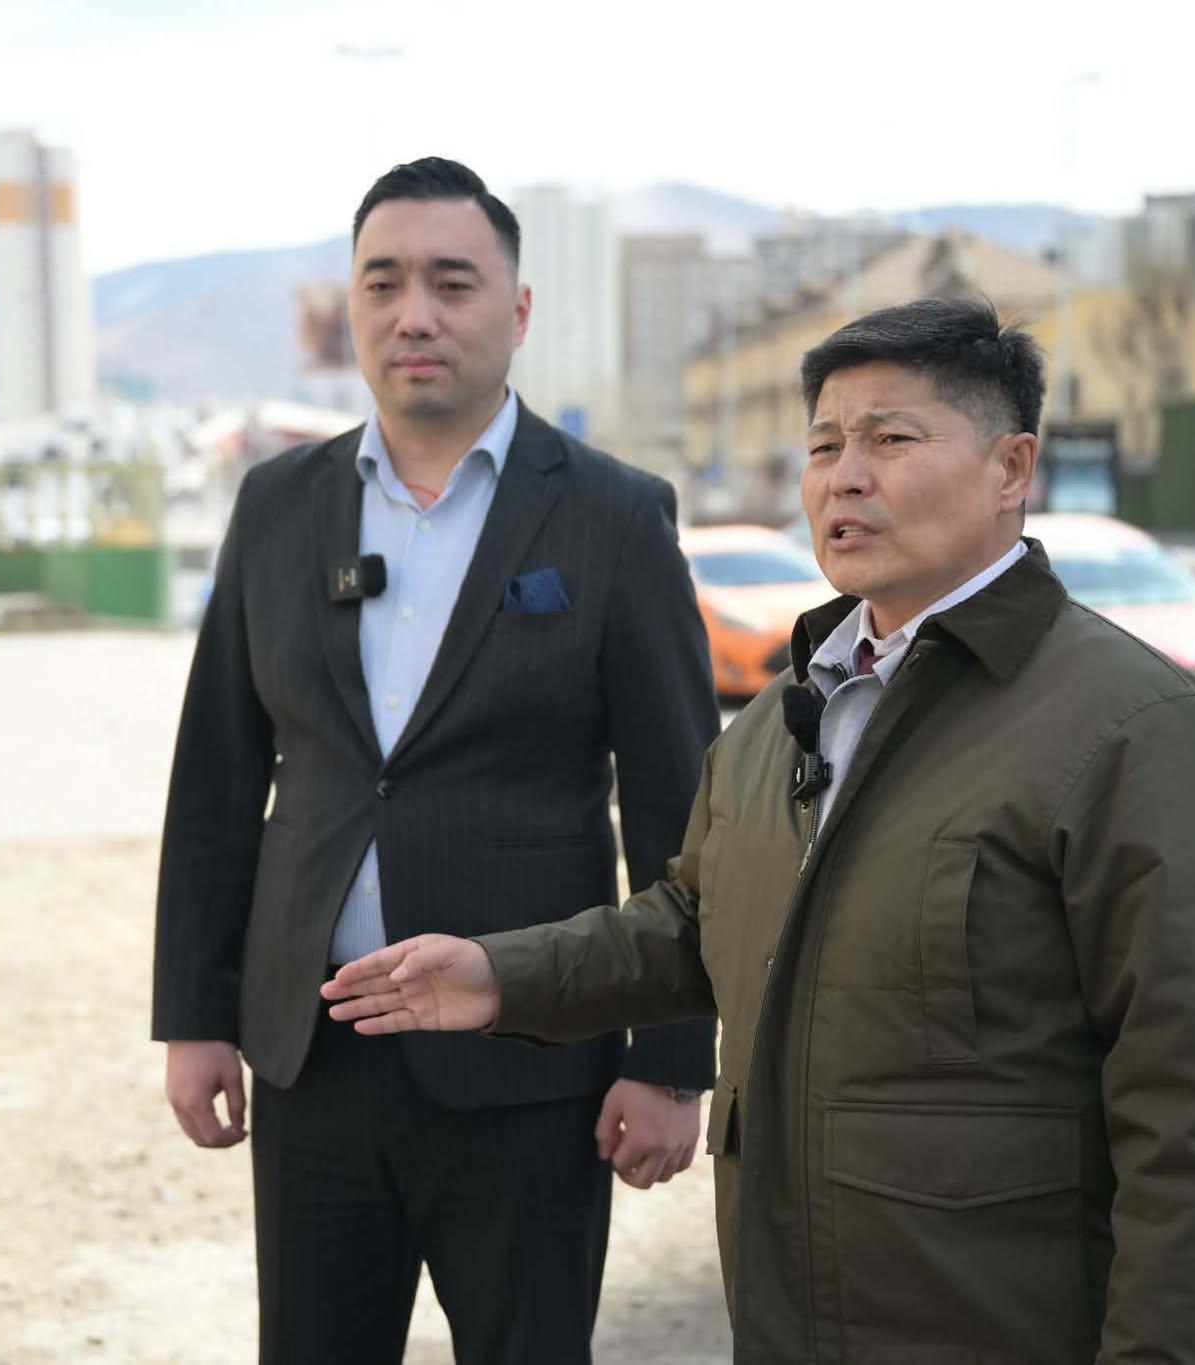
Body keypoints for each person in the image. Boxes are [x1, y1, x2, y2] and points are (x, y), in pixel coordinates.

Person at [325, 297, 1195, 1363]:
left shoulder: (1139, 731)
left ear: (1011, 468)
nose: (843, 478)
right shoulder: (782, 719)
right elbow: (694, 926)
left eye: (890, 439)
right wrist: (499, 976)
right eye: (823, 446)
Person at [151, 157, 719, 1365]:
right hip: (313, 1056)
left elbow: (678, 806)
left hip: (530, 1061)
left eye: (452, 284)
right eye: (383, 283)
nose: (414, 313)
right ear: (350, 308)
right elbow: (215, 781)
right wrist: (192, 1016)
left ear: (516, 310)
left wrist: (671, 1061)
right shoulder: (276, 505)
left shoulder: (613, 515)